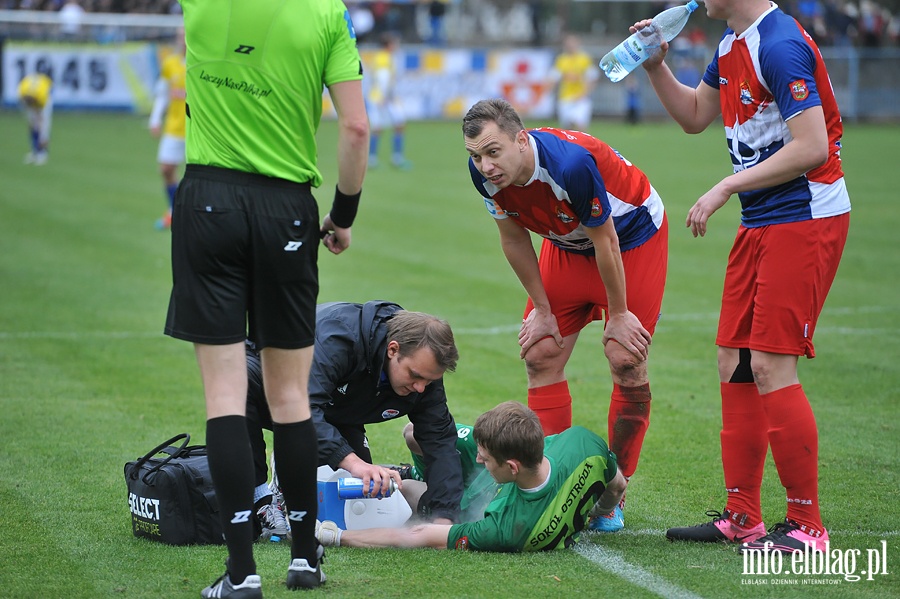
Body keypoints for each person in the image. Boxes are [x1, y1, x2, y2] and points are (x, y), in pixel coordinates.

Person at [164, 1, 369, 597]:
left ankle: (241, 573)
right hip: (288, 208)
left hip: (208, 200)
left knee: (226, 396)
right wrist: (343, 216)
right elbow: (355, 127)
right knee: (289, 398)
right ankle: (305, 560)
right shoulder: (328, 13)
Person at [633, 0, 851, 554]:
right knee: (735, 359)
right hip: (762, 220)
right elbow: (694, 117)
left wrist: (728, 186)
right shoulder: (733, 42)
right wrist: (657, 64)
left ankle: (808, 525)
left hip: (805, 216)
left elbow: (813, 147)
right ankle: (743, 515)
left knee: (774, 363)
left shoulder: (777, 44)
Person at [461, 98, 668, 533]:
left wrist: (619, 313)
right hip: (567, 241)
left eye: (493, 152)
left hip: (631, 239)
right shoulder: (485, 177)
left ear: (521, 140)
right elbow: (514, 240)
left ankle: (614, 494)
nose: (485, 165)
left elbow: (606, 241)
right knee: (540, 352)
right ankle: (551, 485)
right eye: (475, 156)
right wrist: (541, 309)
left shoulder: (569, 165)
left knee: (625, 357)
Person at [246, 301, 464, 538]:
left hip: (333, 405)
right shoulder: (339, 339)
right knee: (242, 382)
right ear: (393, 350)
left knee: (358, 502)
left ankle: (294, 465)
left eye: (429, 381)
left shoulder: (423, 372)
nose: (421, 388)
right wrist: (354, 463)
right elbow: (302, 407)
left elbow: (440, 439)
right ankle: (262, 499)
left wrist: (443, 518)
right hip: (276, 383)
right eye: (415, 376)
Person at [316, 401, 626, 551]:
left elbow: (418, 536)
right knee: (414, 433)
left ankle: (411, 477)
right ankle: (414, 471)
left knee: (407, 491)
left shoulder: (507, 528)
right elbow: (617, 485)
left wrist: (336, 536)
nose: (478, 458)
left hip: (469, 501)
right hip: (505, 477)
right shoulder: (584, 443)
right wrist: (599, 512)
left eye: (486, 458)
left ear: (512, 467)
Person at [148, 28, 186, 230]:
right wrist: (155, 119)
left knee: (196, 176)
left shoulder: (201, 63)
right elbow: (162, 94)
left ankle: (189, 216)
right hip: (173, 126)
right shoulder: (170, 63)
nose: (182, 40)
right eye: (179, 36)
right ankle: (173, 210)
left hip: (198, 129)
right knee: (166, 169)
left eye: (185, 36)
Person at [365, 32, 411, 170]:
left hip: (381, 97)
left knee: (396, 124)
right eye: (394, 43)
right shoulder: (384, 58)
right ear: (389, 45)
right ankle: (391, 158)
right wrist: (384, 97)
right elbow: (382, 78)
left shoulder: (381, 57)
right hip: (381, 98)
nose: (396, 46)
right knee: (390, 126)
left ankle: (379, 159)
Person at [546, 34, 599, 131]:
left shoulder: (584, 59)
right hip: (565, 98)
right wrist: (548, 93)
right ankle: (569, 146)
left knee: (580, 126)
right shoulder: (561, 60)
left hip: (580, 99)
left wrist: (585, 93)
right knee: (567, 130)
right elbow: (553, 78)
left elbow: (592, 78)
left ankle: (583, 146)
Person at [17, 72, 53, 166]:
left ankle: (43, 153)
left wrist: (38, 118)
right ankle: (34, 151)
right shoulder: (22, 91)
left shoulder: (41, 96)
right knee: (33, 126)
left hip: (45, 100)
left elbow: (41, 116)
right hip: (34, 96)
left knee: (43, 128)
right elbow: (24, 103)